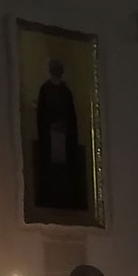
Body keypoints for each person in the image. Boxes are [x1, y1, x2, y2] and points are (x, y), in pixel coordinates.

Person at [33, 57, 85, 212]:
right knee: (51, 170)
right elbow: (41, 115)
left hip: (64, 137)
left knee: (63, 170)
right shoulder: (45, 89)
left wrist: (63, 126)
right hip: (50, 137)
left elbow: (71, 116)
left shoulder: (65, 91)